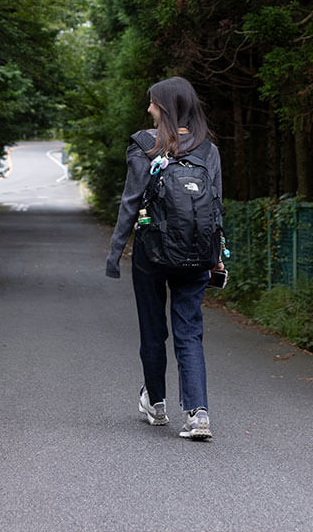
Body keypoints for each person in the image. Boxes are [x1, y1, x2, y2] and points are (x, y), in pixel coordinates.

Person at [105, 76, 223, 441]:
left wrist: (114, 253)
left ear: (166, 107)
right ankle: (198, 412)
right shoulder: (208, 150)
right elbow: (216, 207)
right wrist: (217, 257)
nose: (149, 109)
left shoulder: (144, 145)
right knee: (190, 331)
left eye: (153, 103)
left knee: (153, 330)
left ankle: (156, 404)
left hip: (151, 253)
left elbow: (130, 202)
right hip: (197, 253)